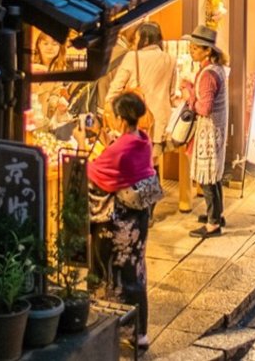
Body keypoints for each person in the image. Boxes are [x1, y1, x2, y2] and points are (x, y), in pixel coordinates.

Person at [88, 92, 155, 351]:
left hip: (117, 223)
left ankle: (107, 325)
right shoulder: (141, 141)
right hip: (137, 221)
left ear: (119, 118)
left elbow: (96, 173)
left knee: (110, 272)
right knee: (135, 272)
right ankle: (139, 332)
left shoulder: (120, 150)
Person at [105, 21, 176, 165]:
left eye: (137, 39)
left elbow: (115, 89)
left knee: (136, 166)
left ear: (146, 39)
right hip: (160, 122)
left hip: (137, 120)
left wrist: (111, 108)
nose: (135, 42)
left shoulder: (133, 57)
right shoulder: (170, 59)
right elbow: (172, 93)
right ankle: (153, 187)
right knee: (152, 164)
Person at [181, 25, 228, 238]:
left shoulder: (208, 75)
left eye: (195, 48)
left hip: (208, 132)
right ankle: (217, 214)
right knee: (214, 175)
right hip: (216, 130)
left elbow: (205, 107)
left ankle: (212, 223)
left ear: (207, 51)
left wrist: (190, 97)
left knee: (207, 177)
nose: (192, 51)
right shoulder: (216, 69)